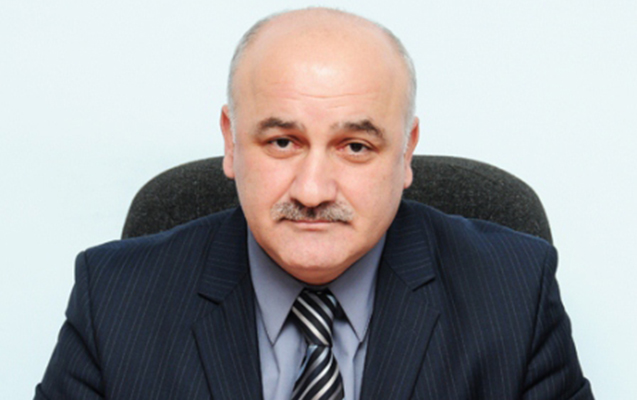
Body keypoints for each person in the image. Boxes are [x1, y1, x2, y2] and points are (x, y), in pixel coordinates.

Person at [35, 7, 593, 400]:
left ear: (406, 152)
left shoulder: (514, 292)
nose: (312, 191)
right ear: (231, 141)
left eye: (355, 147)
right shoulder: (113, 299)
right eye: (283, 142)